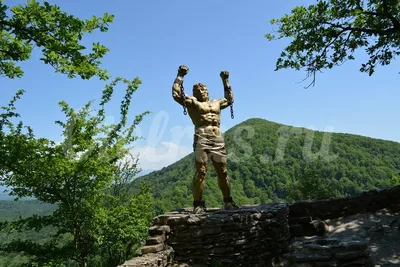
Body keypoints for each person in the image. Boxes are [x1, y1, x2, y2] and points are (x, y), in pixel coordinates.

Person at [172, 65, 239, 213]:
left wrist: (225, 81)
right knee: (201, 171)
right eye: (198, 89)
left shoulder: (216, 103)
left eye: (204, 88)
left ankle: (228, 202)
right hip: (202, 137)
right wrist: (180, 76)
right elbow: (177, 94)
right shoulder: (193, 102)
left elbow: (230, 99)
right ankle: (198, 204)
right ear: (195, 93)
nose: (203, 90)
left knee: (223, 171)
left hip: (217, 139)